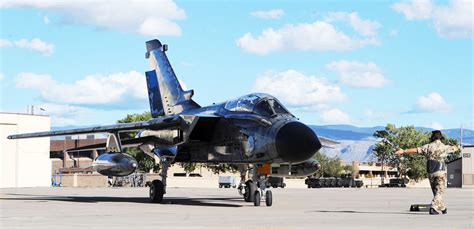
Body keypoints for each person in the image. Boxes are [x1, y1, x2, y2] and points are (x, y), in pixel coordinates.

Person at [395, 130, 459, 215]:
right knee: (439, 191)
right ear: (441, 137)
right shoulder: (445, 147)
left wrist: (403, 151)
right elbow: (457, 148)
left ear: (432, 137)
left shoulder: (428, 146)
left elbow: (416, 150)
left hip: (430, 171)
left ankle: (442, 207)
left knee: (436, 192)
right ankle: (433, 208)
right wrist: (453, 145)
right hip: (440, 171)